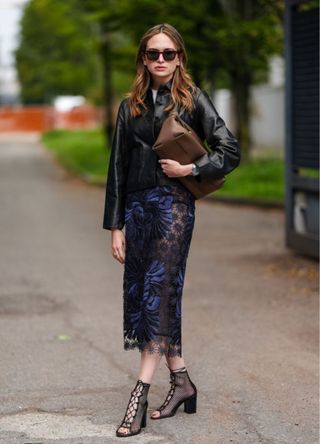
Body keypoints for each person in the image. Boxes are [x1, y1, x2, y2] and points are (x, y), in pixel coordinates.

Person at [102, 23, 240, 438]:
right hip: (139, 211)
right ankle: (182, 383)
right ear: (142, 59)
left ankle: (139, 393)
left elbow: (230, 149)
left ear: (179, 57)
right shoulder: (130, 107)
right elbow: (116, 171)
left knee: (156, 296)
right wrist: (116, 226)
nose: (160, 60)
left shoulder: (193, 99)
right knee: (153, 295)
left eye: (168, 54)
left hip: (174, 209)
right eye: (152, 54)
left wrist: (191, 169)